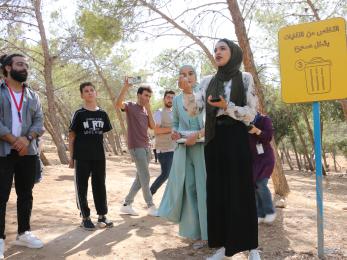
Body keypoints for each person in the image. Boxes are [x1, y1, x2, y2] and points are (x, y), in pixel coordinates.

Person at [179, 39, 260, 260]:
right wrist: (188, 92)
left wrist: (228, 107)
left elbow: (252, 113)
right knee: (218, 193)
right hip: (214, 140)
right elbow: (195, 111)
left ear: (233, 52)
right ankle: (224, 247)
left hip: (237, 138)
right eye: (215, 49)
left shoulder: (245, 78)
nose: (217, 52)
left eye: (222, 48)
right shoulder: (206, 82)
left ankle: (251, 246)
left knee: (241, 191)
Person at [0, 54, 45, 258]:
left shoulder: (32, 95)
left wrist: (26, 139)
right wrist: (13, 140)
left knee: (25, 194)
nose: (25, 68)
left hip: (28, 151)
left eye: (26, 65)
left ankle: (23, 233)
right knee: (1, 196)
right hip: (4, 151)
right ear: (8, 68)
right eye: (20, 64)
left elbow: (39, 121)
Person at [158, 65, 207, 249]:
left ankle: (208, 233)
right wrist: (175, 133)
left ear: (196, 76)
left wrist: (198, 135)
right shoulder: (177, 100)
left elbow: (210, 121)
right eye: (182, 74)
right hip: (184, 148)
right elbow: (176, 122)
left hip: (202, 147)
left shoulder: (203, 95)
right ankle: (195, 232)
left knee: (203, 188)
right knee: (190, 188)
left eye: (190, 73)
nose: (187, 77)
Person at [68, 82, 114, 230]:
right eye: (86, 91)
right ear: (82, 95)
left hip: (99, 157)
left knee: (100, 185)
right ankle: (85, 217)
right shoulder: (79, 114)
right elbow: (71, 136)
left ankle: (102, 216)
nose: (89, 93)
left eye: (92, 90)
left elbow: (103, 135)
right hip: (82, 156)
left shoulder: (103, 114)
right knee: (82, 187)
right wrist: (71, 157)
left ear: (96, 93)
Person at [116, 79, 158, 216]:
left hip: (146, 147)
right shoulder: (130, 106)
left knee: (140, 178)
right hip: (136, 146)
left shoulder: (145, 110)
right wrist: (125, 87)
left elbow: (153, 126)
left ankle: (126, 204)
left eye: (149, 96)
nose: (147, 98)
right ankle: (151, 206)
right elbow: (118, 104)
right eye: (146, 95)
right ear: (139, 95)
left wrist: (149, 109)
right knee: (145, 177)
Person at [248, 112, 276, 224]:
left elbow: (268, 137)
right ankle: (260, 214)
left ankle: (270, 212)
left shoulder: (265, 119)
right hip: (253, 160)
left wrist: (257, 131)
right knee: (255, 185)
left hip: (266, 158)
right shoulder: (243, 121)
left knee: (261, 183)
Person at [150, 90, 176, 195]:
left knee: (174, 175)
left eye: (172, 98)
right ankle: (150, 193)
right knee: (165, 174)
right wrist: (172, 129)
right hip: (165, 150)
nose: (170, 100)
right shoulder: (159, 113)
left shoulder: (176, 113)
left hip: (175, 148)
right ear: (164, 99)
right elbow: (156, 131)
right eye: (168, 97)